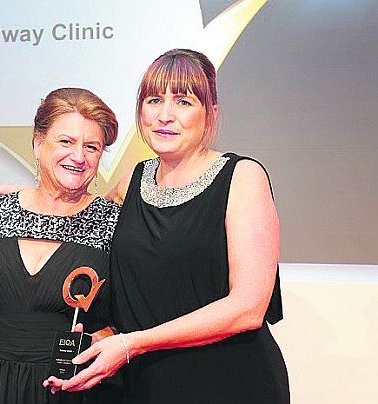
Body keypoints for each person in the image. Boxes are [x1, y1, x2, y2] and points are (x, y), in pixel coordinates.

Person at [45, 48, 289, 403]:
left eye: (184, 102)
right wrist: (26, 192)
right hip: (144, 383)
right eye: (154, 100)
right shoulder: (134, 179)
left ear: (211, 113)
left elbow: (247, 308)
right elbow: (80, 208)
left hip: (228, 381)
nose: (164, 115)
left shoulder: (242, 177)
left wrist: (131, 343)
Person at [0, 88, 121, 404]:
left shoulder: (116, 222)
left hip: (72, 389)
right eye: (65, 141)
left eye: (91, 147)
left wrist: (104, 337)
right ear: (38, 143)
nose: (78, 156)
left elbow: (134, 316)